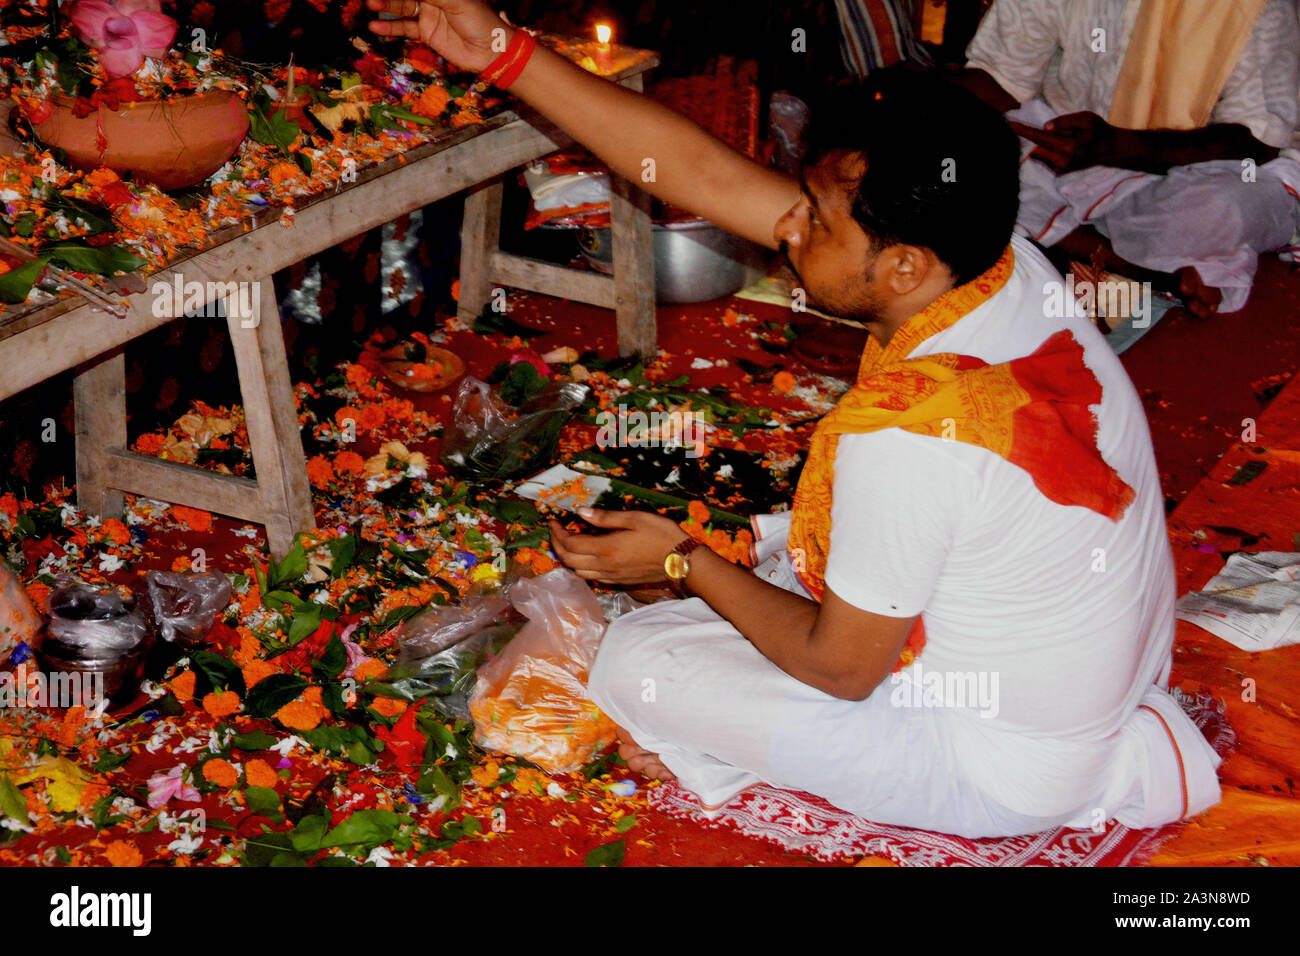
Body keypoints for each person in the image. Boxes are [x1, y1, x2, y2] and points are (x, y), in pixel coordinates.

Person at [368, 0, 1221, 838]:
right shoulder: (999, 265)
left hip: (996, 764)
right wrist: (504, 51)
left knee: (642, 657)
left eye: (817, 220)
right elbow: (700, 175)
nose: (787, 228)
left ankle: (734, 748)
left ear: (901, 266)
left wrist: (681, 560)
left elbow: (840, 668)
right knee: (774, 564)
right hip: (1078, 677)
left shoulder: (914, 429)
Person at [956, 0, 1300, 318]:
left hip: (1191, 173)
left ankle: (1075, 249)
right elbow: (1000, 79)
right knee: (952, 148)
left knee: (1225, 209)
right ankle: (1139, 269)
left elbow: (1258, 142)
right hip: (1062, 148)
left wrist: (1120, 145)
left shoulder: (1259, 7)